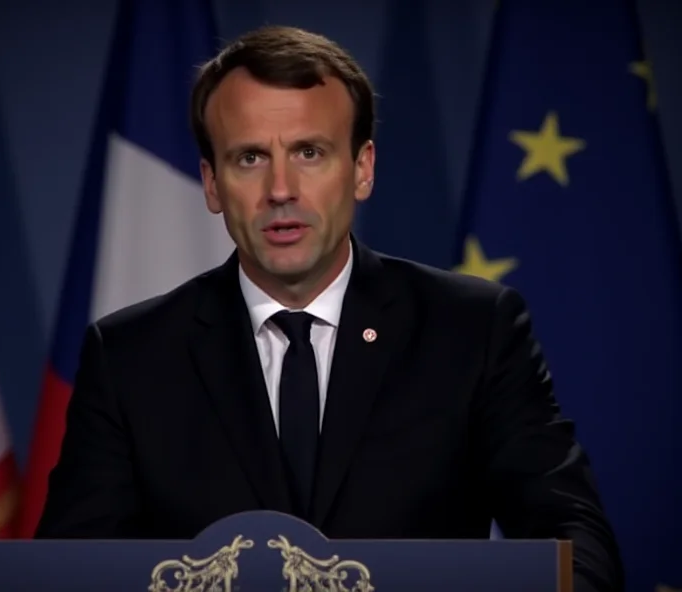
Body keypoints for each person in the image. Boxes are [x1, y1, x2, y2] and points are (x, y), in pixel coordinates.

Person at [35, 25, 624, 591]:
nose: (281, 188)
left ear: (361, 168)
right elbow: (67, 570)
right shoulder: (133, 356)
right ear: (212, 185)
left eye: (309, 152)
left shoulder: (471, 330)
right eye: (249, 158)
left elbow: (575, 541)